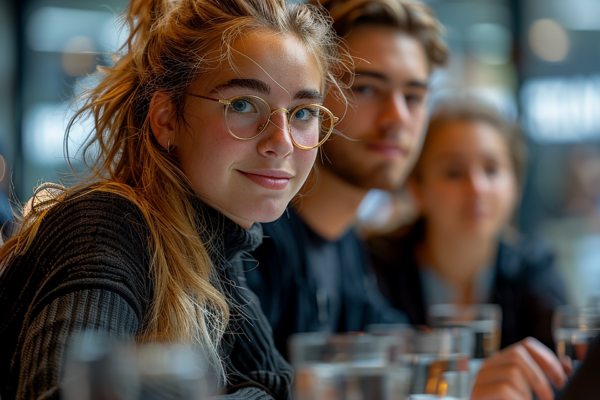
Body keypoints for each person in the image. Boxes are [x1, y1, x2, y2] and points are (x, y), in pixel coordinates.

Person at [0, 0, 349, 398]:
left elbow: (277, 387)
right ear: (166, 119)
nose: (281, 142)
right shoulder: (106, 227)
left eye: (303, 112)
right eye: (242, 105)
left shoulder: (217, 255)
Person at [245, 0, 449, 359]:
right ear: (310, 95)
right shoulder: (253, 245)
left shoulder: (346, 243)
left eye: (414, 97)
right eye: (366, 88)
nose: (397, 118)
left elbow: (399, 348)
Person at [368, 97, 568, 351]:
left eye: (491, 169)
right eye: (454, 172)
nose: (477, 188)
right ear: (416, 188)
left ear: (515, 185)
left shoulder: (535, 270)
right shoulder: (373, 269)